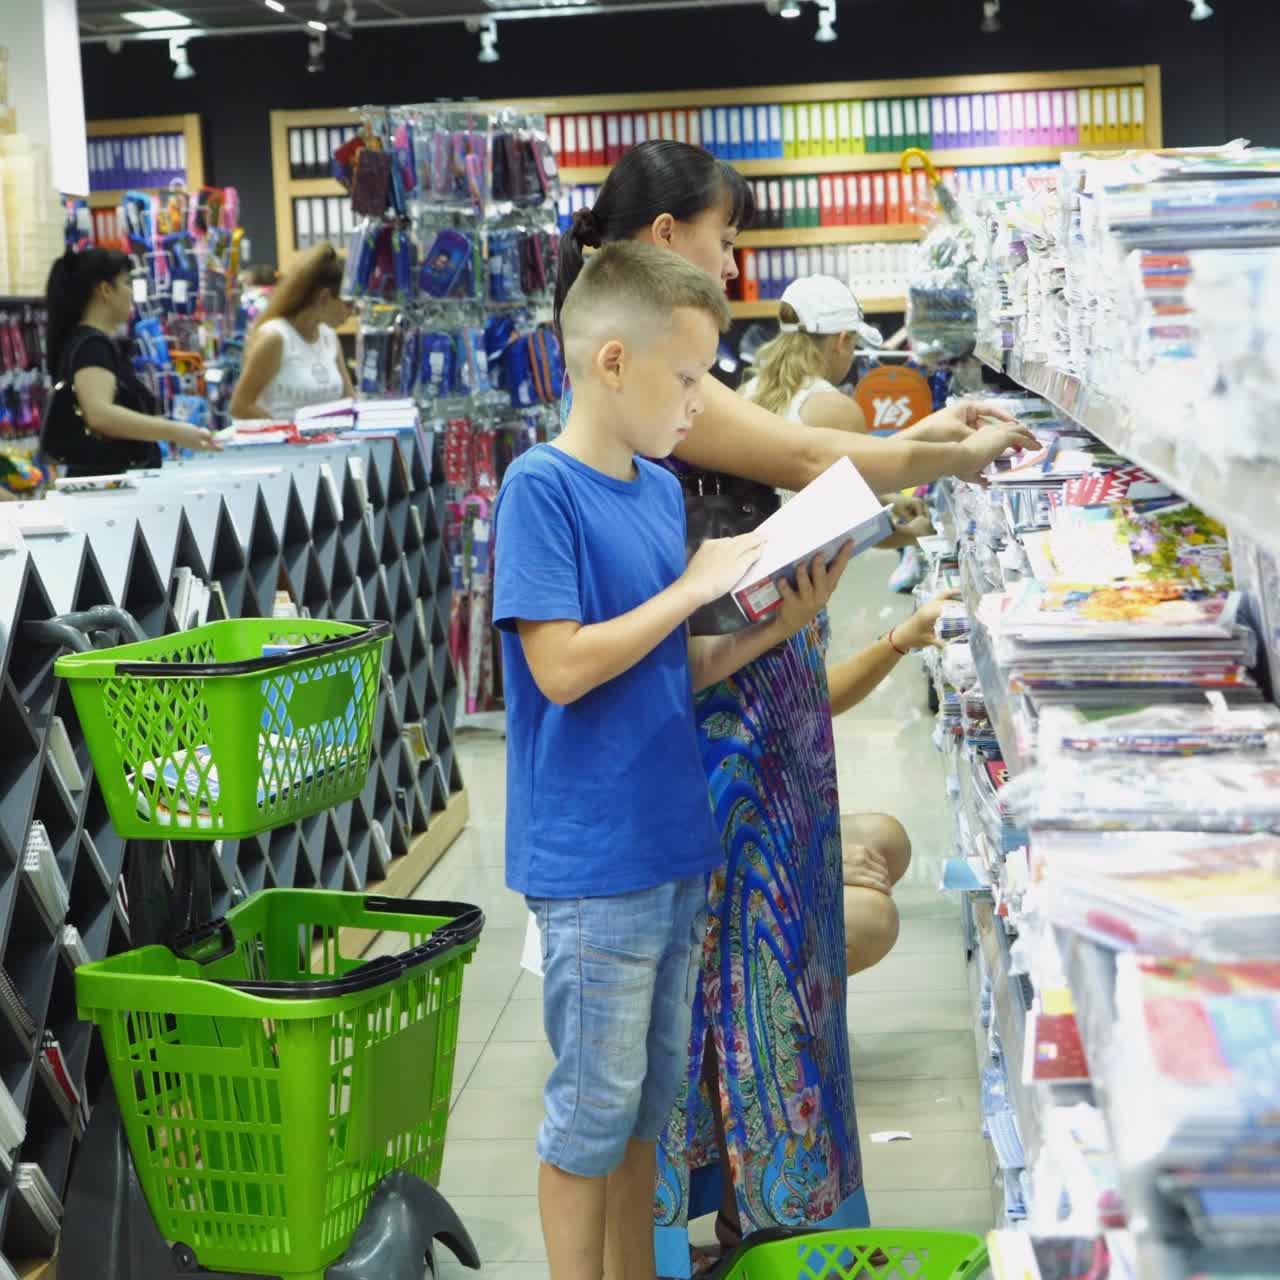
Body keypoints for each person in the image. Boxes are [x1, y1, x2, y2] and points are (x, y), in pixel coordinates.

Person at [550, 140, 1038, 1280]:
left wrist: (927, 441)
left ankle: (748, 1220)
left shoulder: (656, 371)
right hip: (718, 736)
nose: (733, 264)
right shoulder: (650, 385)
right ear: (664, 240)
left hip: (751, 716)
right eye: (722, 238)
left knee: (746, 978)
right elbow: (812, 450)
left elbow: (815, 456)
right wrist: (935, 455)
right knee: (736, 981)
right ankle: (738, 1225)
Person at [494, 240, 851, 1280]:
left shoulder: (654, 491)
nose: (700, 404)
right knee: (588, 1111)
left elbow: (666, 666)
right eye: (688, 378)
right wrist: (692, 587)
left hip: (672, 842)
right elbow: (559, 667)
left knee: (649, 1103)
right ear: (613, 363)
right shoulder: (538, 488)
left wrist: (774, 624)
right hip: (592, 857)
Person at [42, 247, 220, 476]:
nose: (130, 292)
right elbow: (99, 415)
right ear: (105, 290)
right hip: (106, 490)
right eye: (126, 283)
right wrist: (175, 431)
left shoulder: (87, 343)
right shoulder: (91, 347)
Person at [229, 242, 353, 420]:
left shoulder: (329, 336)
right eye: (348, 304)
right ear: (324, 297)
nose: (351, 313)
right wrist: (291, 433)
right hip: (286, 445)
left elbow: (348, 399)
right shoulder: (275, 338)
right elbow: (240, 407)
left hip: (328, 445)